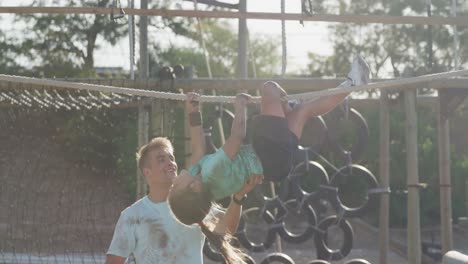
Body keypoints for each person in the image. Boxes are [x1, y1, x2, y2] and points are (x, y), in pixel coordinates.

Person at [168, 56, 370, 229]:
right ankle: (285, 105)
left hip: (275, 167)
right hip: (266, 150)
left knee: (304, 111)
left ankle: (352, 83)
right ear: (193, 187)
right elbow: (236, 137)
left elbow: (197, 145)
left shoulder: (207, 188)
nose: (174, 180)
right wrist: (240, 107)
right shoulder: (211, 170)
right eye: (175, 186)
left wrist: (192, 111)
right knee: (269, 88)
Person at [105, 94, 263, 264]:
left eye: (171, 158)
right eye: (161, 159)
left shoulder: (194, 201)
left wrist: (193, 110)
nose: (171, 163)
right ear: (147, 172)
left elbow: (228, 229)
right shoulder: (132, 216)